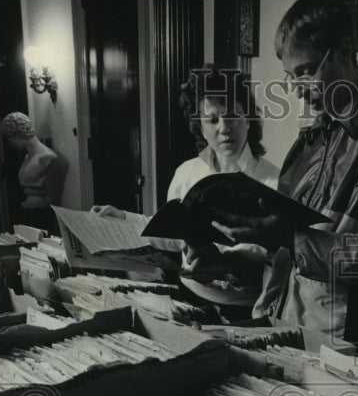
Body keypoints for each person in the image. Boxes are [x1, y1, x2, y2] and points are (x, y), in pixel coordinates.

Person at [216, 0, 358, 344]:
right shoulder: (311, 139)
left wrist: (291, 237)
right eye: (291, 77)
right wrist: (228, 265)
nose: (298, 91)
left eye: (306, 72)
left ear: (345, 50)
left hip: (338, 351)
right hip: (281, 333)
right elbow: (285, 260)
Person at [96, 65, 279, 298]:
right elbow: (172, 233)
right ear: (201, 129)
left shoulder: (276, 182)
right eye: (212, 120)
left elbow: (272, 261)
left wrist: (224, 265)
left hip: (243, 305)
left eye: (232, 115)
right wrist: (124, 219)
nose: (224, 128)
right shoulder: (187, 172)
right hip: (188, 295)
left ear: (249, 120)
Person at [0, 112, 67, 235]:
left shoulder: (46, 157)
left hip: (40, 215)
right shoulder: (27, 157)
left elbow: (55, 198)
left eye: (9, 138)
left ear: (16, 135)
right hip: (27, 212)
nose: (10, 144)